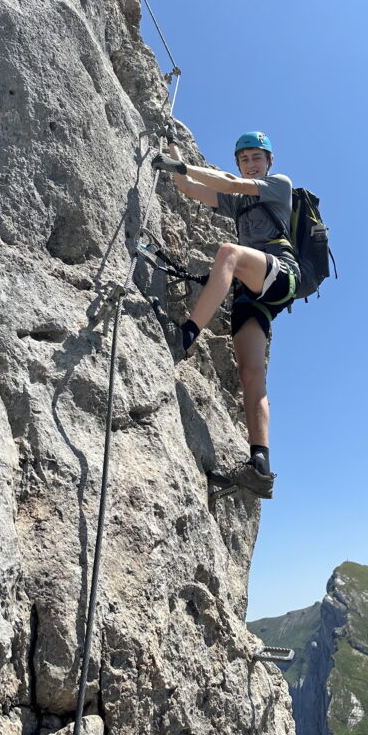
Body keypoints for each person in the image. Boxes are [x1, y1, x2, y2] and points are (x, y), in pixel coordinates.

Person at [151, 131, 300, 498]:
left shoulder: (279, 185)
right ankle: (259, 466)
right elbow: (188, 188)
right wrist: (172, 153)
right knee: (251, 373)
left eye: (256, 157)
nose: (251, 164)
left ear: (269, 162)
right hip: (254, 293)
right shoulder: (239, 204)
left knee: (228, 253)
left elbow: (231, 183)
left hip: (280, 271)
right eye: (244, 158)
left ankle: (185, 335)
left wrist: (186, 164)